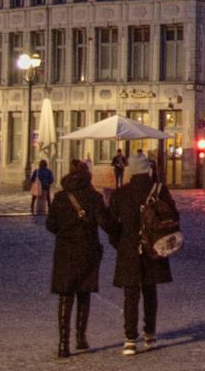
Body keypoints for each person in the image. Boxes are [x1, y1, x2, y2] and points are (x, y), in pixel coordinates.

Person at [107, 153, 176, 355]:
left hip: (129, 248)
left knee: (130, 294)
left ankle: (130, 339)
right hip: (153, 247)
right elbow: (173, 217)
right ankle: (150, 334)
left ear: (130, 170)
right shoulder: (160, 190)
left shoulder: (121, 193)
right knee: (150, 291)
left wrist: (119, 242)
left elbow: (112, 224)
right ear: (148, 169)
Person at [48, 159, 111, 359]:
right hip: (87, 250)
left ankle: (62, 344)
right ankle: (81, 337)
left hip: (65, 251)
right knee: (84, 293)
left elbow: (50, 225)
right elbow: (105, 223)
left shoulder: (59, 197)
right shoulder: (93, 197)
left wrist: (64, 230)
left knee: (65, 296)